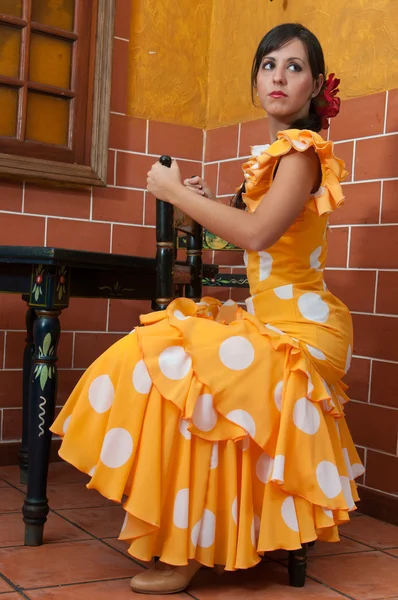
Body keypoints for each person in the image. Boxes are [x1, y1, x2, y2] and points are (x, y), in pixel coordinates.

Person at [51, 23, 364, 595]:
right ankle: (189, 530)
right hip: (270, 320)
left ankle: (187, 546)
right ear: (255, 80)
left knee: (181, 369)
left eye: (295, 68)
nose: (279, 76)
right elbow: (247, 233)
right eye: (269, 65)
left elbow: (259, 235)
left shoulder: (301, 153)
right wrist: (201, 206)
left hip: (302, 331)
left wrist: (178, 195)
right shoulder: (275, 159)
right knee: (158, 358)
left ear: (315, 85)